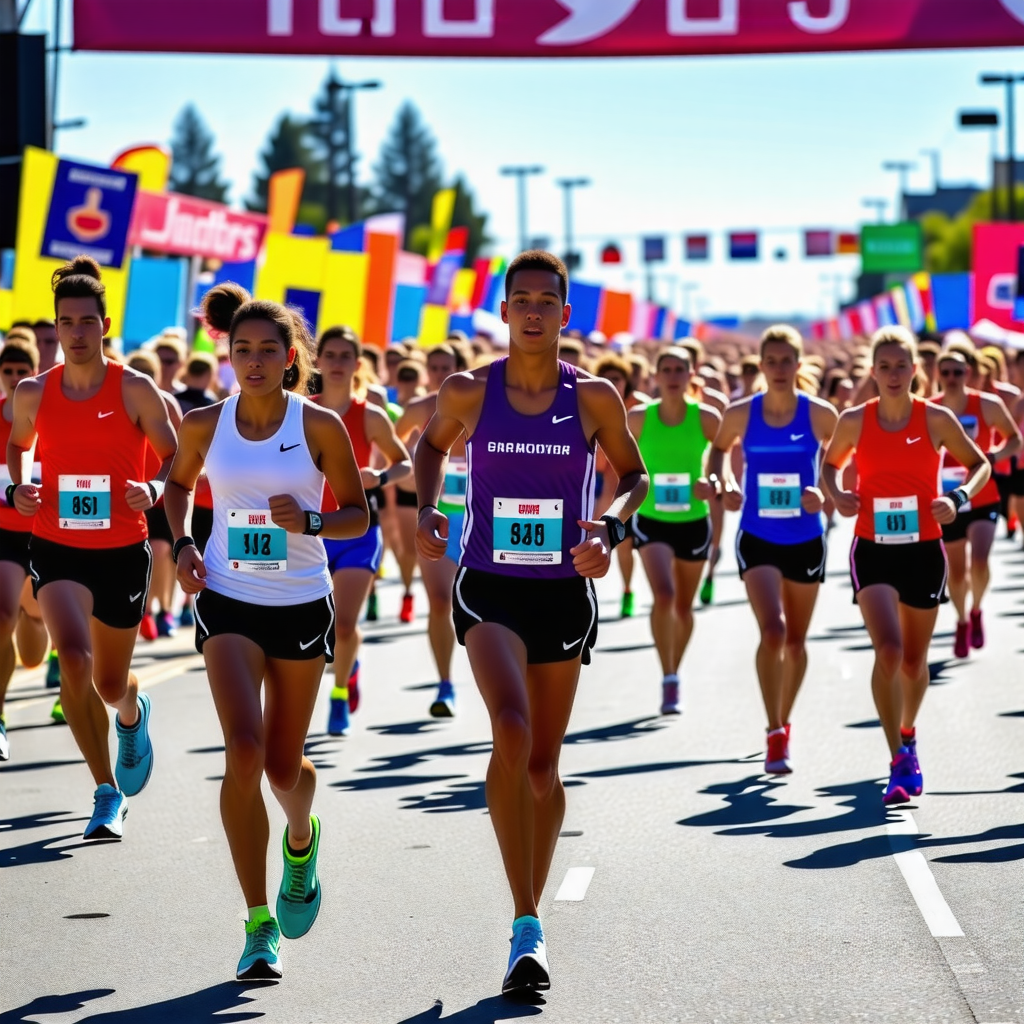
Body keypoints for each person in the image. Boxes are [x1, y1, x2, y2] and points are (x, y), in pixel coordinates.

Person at [416, 251, 648, 997]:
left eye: (548, 300)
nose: (535, 312)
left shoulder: (594, 397)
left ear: (565, 314)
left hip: (562, 595)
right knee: (510, 730)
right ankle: (524, 922)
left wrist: (608, 530)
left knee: (544, 767)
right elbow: (428, 443)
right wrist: (427, 504)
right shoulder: (468, 390)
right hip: (487, 586)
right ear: (504, 310)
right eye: (522, 300)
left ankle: (532, 913)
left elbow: (633, 476)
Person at [165, 285, 368, 980]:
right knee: (243, 752)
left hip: (301, 604)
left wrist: (310, 522)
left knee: (285, 767)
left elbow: (358, 517)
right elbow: (175, 487)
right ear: (227, 355)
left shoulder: (318, 427)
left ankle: (302, 842)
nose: (252, 361)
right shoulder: (204, 424)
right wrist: (185, 547)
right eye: (241, 349)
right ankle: (257, 923)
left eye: (267, 350)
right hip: (227, 598)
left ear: (290, 359)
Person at [6, 255, 176, 837]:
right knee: (71, 662)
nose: (75, 333)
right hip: (55, 546)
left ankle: (131, 711)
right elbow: (16, 446)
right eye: (65, 322)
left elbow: (179, 459)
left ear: (104, 324)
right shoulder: (33, 392)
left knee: (108, 681)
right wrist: (16, 485)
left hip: (122, 553)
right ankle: (106, 790)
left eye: (86, 321)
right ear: (55, 327)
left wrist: (152, 488)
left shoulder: (134, 388)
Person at [822, 326, 990, 805]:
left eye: (902, 366)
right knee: (890, 651)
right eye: (885, 366)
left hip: (924, 550)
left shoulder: (934, 417)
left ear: (915, 370)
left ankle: (909, 731)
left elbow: (978, 463)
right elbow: (829, 464)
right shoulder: (856, 419)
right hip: (872, 548)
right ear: (872, 371)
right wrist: (837, 493)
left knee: (915, 662)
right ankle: (898, 755)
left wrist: (956, 498)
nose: (893, 374)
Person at [709, 325, 838, 773]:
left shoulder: (820, 415)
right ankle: (773, 731)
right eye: (772, 361)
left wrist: (824, 492)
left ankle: (786, 716)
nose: (780, 368)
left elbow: (844, 462)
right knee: (774, 631)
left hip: (805, 537)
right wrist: (722, 481)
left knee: (798, 641)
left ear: (799, 365)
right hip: (758, 535)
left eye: (788, 361)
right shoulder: (742, 413)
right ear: (761, 365)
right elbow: (718, 452)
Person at [312, 325, 411, 736]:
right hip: (311, 533)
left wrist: (380, 477)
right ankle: (348, 665)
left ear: (357, 364)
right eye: (330, 355)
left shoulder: (370, 415)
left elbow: (403, 463)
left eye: (345, 357)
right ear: (318, 361)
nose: (337, 363)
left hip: (357, 530)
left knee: (346, 624)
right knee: (322, 627)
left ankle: (338, 694)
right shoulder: (302, 409)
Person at [629, 346, 721, 714]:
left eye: (678, 369)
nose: (671, 375)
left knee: (683, 606)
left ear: (690, 374)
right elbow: (622, 460)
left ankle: (676, 669)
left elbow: (723, 452)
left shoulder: (706, 417)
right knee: (664, 596)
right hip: (651, 519)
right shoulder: (638, 419)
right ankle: (666, 675)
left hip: (694, 521)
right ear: (655, 375)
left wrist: (714, 480)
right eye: (664, 369)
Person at [930, 350, 1021, 656]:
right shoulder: (931, 409)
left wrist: (991, 457)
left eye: (958, 372)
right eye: (946, 373)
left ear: (968, 372)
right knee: (956, 572)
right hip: (948, 499)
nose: (952, 378)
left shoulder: (986, 404)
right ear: (938, 376)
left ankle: (977, 610)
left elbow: (1015, 439)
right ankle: (960, 620)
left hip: (983, 495)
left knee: (979, 560)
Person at [396, 343, 466, 716]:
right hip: (435, 516)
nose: (440, 373)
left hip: (480, 520)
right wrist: (408, 477)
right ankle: (445, 683)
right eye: (435, 366)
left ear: (459, 368)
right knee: (440, 602)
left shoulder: (477, 404)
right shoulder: (418, 409)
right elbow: (389, 453)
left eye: (447, 366)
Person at [0, 339, 49, 759]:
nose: (15, 379)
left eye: (22, 372)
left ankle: (30, 614)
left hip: (43, 535)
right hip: (3, 536)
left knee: (32, 637)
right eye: (8, 372)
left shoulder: (48, 416)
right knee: (1, 616)